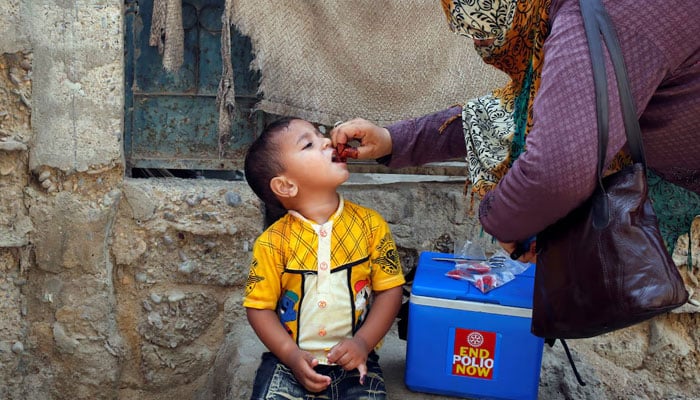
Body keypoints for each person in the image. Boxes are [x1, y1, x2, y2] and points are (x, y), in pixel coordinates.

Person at [331, 0, 700, 261]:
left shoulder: (595, 17)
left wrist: (504, 221)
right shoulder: (573, 19)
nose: (487, 51)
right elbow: (518, 112)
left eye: (490, 37)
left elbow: (555, 169)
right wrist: (394, 140)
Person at [243, 117, 405, 399]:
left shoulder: (371, 226)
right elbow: (259, 308)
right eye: (308, 144)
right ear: (286, 186)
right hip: (288, 365)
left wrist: (363, 343)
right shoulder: (272, 243)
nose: (327, 141)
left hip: (357, 362)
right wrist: (291, 356)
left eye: (320, 135)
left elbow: (390, 290)